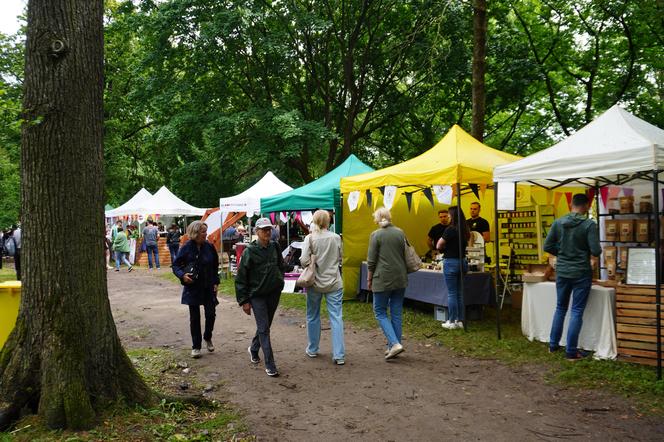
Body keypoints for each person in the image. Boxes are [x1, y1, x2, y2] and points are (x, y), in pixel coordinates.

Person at [544, 193, 601, 361]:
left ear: (570, 204)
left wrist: (561, 252)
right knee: (576, 310)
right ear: (586, 206)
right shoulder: (589, 225)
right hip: (581, 272)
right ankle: (571, 351)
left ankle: (553, 345)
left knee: (560, 308)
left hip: (562, 271)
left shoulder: (558, 222)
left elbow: (547, 245)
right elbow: (596, 251)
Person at [235, 217, 287, 377]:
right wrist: (244, 301)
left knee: (265, 326)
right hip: (257, 295)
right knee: (264, 328)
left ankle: (254, 348)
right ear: (256, 232)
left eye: (269, 229)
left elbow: (281, 265)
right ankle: (270, 365)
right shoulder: (249, 251)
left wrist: (280, 279)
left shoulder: (275, 246)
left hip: (273, 292)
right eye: (264, 230)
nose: (267, 232)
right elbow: (241, 278)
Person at [300, 210, 345, 365]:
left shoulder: (310, 238)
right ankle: (339, 354)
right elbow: (341, 256)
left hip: (315, 283)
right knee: (336, 317)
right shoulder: (336, 237)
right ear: (328, 221)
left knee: (313, 315)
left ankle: (313, 348)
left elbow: (304, 260)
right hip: (334, 282)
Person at [172, 221, 220, 359]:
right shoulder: (186, 247)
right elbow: (175, 266)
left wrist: (216, 282)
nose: (206, 234)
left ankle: (207, 336)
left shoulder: (210, 247)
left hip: (208, 286)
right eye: (203, 231)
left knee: (211, 314)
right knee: (195, 318)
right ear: (195, 233)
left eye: (206, 231)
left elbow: (215, 266)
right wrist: (182, 275)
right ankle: (196, 346)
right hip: (193, 287)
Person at [367, 207, 408, 360]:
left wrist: (369, 279)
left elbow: (371, 261)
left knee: (380, 311)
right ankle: (394, 345)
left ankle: (394, 343)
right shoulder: (400, 232)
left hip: (382, 278)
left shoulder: (376, 235)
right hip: (400, 277)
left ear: (377, 219)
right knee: (396, 313)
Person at [437, 206, 469, 330]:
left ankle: (451, 321)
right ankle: (460, 320)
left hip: (451, 262)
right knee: (460, 293)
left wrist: (444, 247)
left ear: (453, 216)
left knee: (452, 293)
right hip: (462, 261)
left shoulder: (450, 230)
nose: (448, 217)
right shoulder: (465, 230)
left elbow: (439, 244)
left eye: (449, 215)